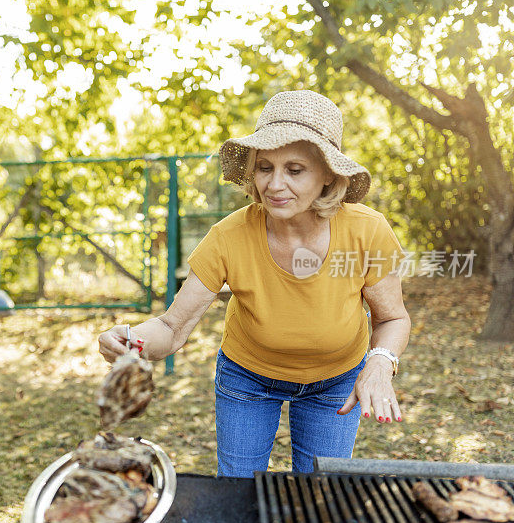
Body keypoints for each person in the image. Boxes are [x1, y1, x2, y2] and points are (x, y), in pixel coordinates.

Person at [97, 90, 411, 476]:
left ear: (329, 174)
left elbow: (393, 319)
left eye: (295, 170)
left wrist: (380, 363)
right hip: (248, 379)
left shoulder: (368, 231)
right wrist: (132, 341)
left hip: (337, 379)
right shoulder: (228, 237)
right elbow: (171, 328)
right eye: (265, 167)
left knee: (319, 494)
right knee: (239, 490)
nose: (275, 185)